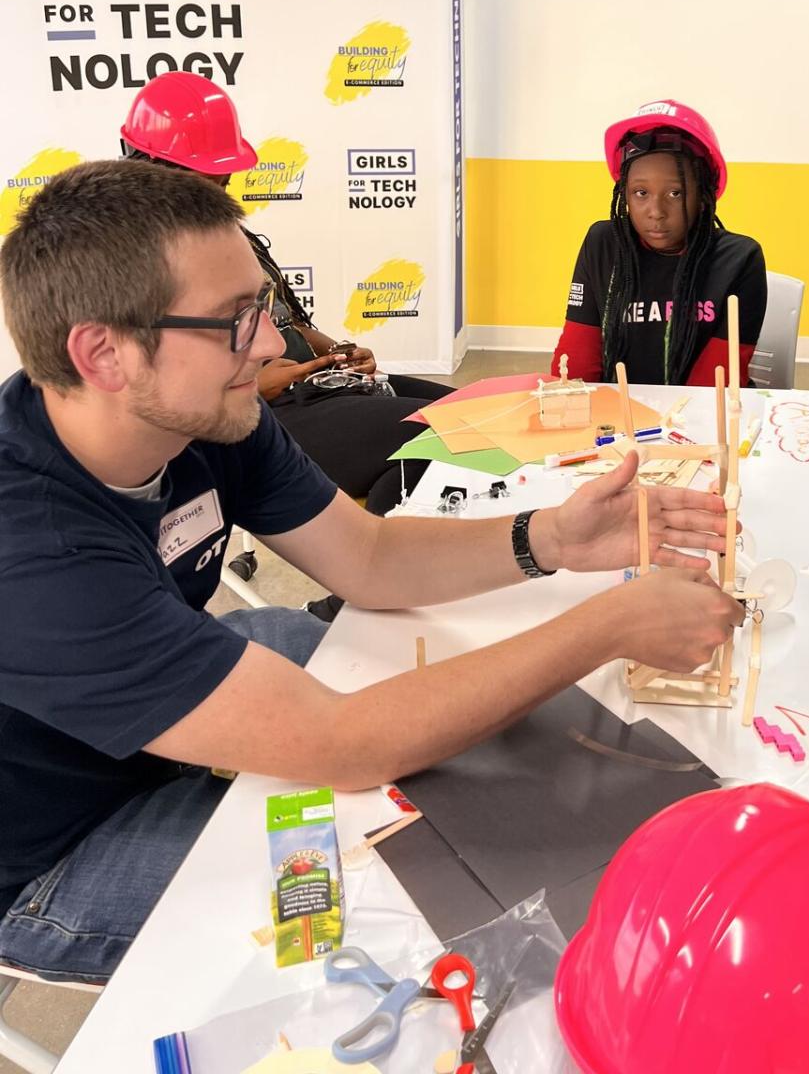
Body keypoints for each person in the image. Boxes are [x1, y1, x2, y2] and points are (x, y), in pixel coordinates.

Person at [0, 160, 742, 983]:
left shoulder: (207, 418)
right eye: (233, 322)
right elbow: (347, 746)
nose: (274, 344)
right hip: (60, 847)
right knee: (384, 881)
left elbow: (369, 558)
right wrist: (606, 626)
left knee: (386, 697)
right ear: (103, 354)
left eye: (263, 308)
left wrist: (552, 539)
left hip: (152, 728)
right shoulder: (33, 549)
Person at [119, 72, 447, 522]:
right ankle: (377, 575)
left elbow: (287, 322)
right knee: (444, 435)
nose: (221, 194)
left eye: (223, 183)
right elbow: (155, 391)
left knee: (472, 414)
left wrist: (336, 353)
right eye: (208, 183)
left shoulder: (227, 234)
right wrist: (256, 384)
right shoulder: (132, 264)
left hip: (312, 390)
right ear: (150, 170)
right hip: (257, 417)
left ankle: (379, 572)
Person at [552, 100, 767, 386]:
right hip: (616, 415)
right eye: (641, 192)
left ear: (704, 197)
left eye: (675, 193)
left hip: (697, 419)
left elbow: (716, 382)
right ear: (624, 195)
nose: (656, 211)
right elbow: (575, 362)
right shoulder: (603, 244)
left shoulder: (739, 259)